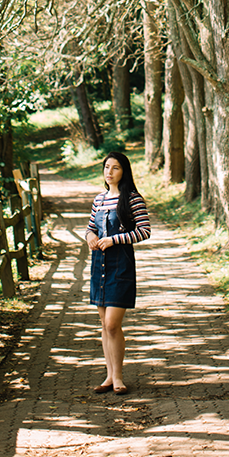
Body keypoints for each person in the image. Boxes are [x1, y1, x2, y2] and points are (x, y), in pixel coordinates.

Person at [85, 151, 151, 395]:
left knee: (113, 324)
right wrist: (91, 236)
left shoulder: (132, 199)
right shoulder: (99, 200)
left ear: (124, 172)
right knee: (104, 324)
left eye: (115, 168)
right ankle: (109, 376)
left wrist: (114, 240)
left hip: (120, 266)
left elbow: (144, 231)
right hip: (99, 266)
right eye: (106, 167)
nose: (109, 172)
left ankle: (120, 376)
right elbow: (91, 228)